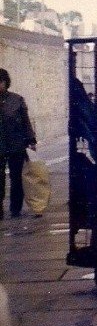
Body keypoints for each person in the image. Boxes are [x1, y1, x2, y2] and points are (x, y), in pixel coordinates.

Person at [0, 68, 37, 219]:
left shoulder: (17, 100)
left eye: (1, 82)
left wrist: (31, 139)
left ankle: (15, 208)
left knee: (16, 178)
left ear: (6, 82)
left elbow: (25, 122)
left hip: (16, 145)